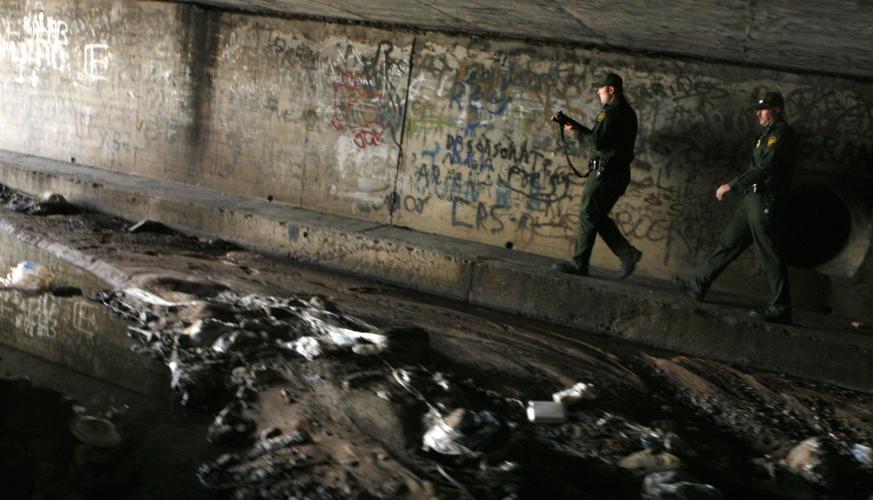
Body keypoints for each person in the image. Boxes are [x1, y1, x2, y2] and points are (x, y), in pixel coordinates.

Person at [676, 91, 797, 324]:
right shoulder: (766, 134)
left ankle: (781, 307)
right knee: (729, 242)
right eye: (758, 109)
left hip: (766, 200)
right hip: (751, 198)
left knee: (769, 254)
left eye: (764, 109)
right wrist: (742, 187)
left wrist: (732, 185)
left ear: (778, 110)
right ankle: (697, 284)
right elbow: (755, 167)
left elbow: (766, 167)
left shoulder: (782, 134)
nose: (758, 113)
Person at [553, 72, 642, 279]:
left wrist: (575, 132)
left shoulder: (612, 112)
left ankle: (580, 263)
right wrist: (576, 127)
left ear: (611, 89)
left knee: (588, 213)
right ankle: (627, 254)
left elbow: (596, 143)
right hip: (617, 173)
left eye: (601, 89)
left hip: (606, 173)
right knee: (596, 215)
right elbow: (601, 138)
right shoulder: (626, 112)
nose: (598, 92)